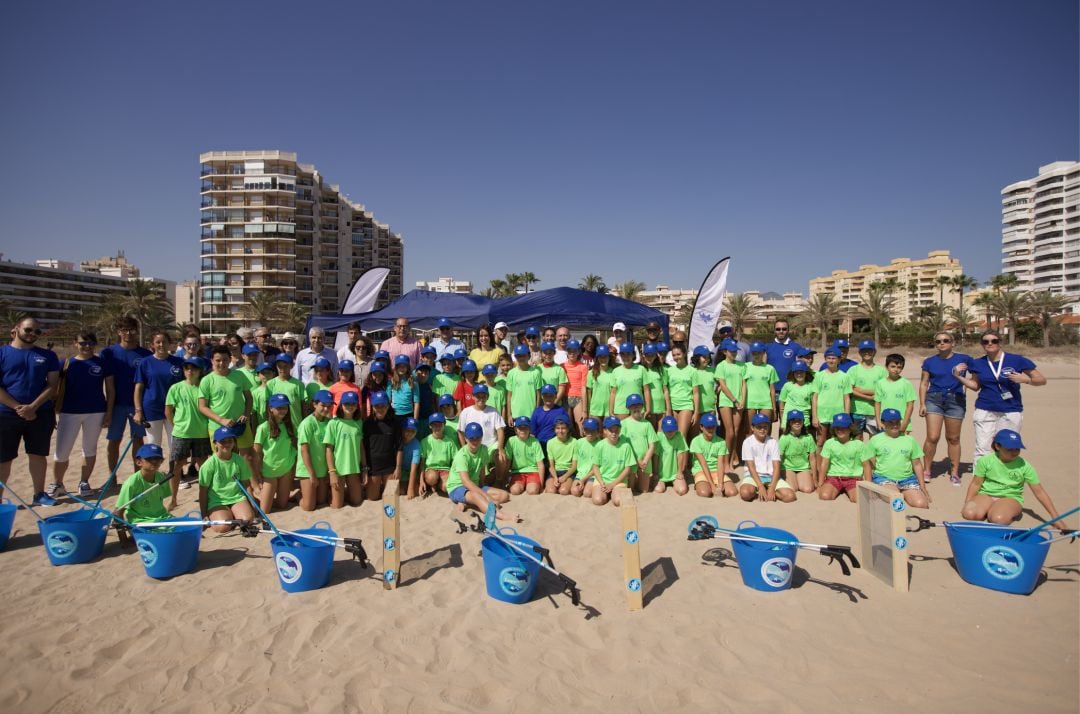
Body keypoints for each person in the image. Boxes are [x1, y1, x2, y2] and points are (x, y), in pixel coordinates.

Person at [954, 329, 1046, 475]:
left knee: (1008, 446)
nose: (990, 344)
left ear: (1000, 342)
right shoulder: (978, 363)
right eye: (986, 341)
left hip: (1010, 409)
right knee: (982, 447)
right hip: (985, 409)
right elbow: (975, 386)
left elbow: (1041, 380)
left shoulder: (1016, 360)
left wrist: (1026, 380)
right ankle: (980, 479)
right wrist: (959, 377)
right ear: (982, 344)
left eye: (994, 341)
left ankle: (1005, 476)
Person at [0, 317, 60, 506]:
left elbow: (52, 385)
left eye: (37, 332)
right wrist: (18, 408)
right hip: (6, 413)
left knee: (38, 454)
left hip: (40, 413)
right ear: (16, 329)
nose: (32, 334)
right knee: (4, 458)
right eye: (28, 330)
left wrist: (32, 407)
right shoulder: (2, 353)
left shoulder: (47, 356)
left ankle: (39, 494)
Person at [961, 429, 1071, 531]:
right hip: (986, 495)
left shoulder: (1025, 466)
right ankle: (990, 509)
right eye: (1009, 449)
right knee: (969, 513)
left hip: (1010, 498)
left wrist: (1056, 518)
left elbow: (1040, 493)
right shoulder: (986, 461)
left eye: (1017, 448)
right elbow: (976, 484)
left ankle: (1001, 510)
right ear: (997, 446)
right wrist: (967, 502)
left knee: (997, 519)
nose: (1014, 452)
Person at [50, 331, 114, 498]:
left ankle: (84, 482)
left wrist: (109, 412)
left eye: (90, 343)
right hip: (69, 412)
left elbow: (110, 389)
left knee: (89, 449)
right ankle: (58, 483)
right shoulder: (65, 364)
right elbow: (53, 390)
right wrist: (51, 412)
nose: (87, 346)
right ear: (75, 344)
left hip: (96, 411)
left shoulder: (102, 363)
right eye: (83, 343)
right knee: (62, 450)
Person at [100, 316, 151, 474]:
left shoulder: (145, 354)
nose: (129, 333)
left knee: (138, 440)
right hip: (116, 405)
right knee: (114, 441)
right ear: (119, 332)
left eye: (132, 330)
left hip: (138, 406)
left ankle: (138, 475)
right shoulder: (108, 353)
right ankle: (112, 477)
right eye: (125, 330)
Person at [447, 423, 519, 521]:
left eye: (477, 438)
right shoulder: (461, 456)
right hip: (457, 487)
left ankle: (468, 502)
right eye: (471, 438)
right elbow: (466, 482)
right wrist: (488, 497)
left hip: (474, 484)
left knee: (504, 495)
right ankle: (502, 516)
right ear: (466, 439)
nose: (474, 441)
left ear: (481, 437)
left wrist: (482, 486)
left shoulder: (483, 449)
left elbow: (481, 470)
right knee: (477, 496)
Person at [164, 356, 210, 506]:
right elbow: (168, 411)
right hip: (181, 433)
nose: (190, 371)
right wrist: (177, 425)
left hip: (201, 432)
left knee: (203, 465)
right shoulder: (176, 387)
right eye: (187, 368)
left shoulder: (204, 387)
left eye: (194, 368)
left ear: (200, 371)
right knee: (176, 465)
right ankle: (173, 498)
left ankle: (207, 495)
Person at [863, 409, 929, 509]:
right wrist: (868, 485)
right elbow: (867, 463)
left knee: (921, 504)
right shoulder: (875, 440)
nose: (895, 425)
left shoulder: (910, 440)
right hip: (885, 479)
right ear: (883, 422)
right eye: (891, 422)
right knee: (896, 500)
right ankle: (887, 491)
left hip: (907, 480)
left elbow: (917, 464)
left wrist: (923, 486)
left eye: (897, 422)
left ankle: (904, 493)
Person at [198, 345, 254, 461]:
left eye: (225, 360)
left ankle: (245, 480)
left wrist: (246, 414)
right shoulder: (207, 380)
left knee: (247, 458)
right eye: (218, 360)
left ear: (230, 360)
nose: (222, 363)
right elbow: (202, 407)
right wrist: (221, 420)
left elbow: (249, 398)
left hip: (240, 424)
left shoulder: (239, 375)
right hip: (218, 426)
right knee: (223, 459)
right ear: (212, 361)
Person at [198, 426, 257, 533]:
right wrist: (204, 514)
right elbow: (203, 491)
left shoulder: (239, 460)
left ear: (234, 442)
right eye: (222, 441)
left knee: (247, 520)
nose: (227, 444)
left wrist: (253, 505)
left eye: (230, 440)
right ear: (215, 443)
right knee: (222, 528)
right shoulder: (208, 465)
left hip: (236, 497)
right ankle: (226, 514)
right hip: (217, 501)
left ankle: (232, 514)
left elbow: (246, 484)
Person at [134, 330, 185, 449]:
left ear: (169, 343)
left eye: (164, 342)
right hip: (152, 408)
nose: (161, 345)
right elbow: (138, 388)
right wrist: (138, 411)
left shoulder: (179, 362)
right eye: (158, 342)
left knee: (176, 444)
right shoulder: (145, 362)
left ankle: (175, 468)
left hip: (174, 409)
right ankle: (153, 468)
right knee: (153, 444)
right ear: (152, 344)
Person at [114, 444, 172, 537]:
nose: (155, 462)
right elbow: (117, 513)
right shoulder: (131, 483)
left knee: (186, 529)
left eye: (158, 459)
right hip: (141, 522)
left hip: (162, 518)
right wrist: (123, 539)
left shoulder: (161, 477)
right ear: (138, 462)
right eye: (150, 459)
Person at [739, 413, 795, 503]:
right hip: (753, 475)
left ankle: (769, 491)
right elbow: (751, 467)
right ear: (752, 428)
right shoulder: (747, 442)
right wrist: (760, 486)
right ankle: (760, 490)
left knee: (790, 496)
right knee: (745, 493)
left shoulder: (773, 442)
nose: (762, 429)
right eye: (759, 427)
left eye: (765, 427)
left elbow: (776, 467)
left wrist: (772, 487)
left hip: (771, 476)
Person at [324, 391, 364, 508]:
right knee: (337, 506)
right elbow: (328, 449)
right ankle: (332, 493)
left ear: (357, 406)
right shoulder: (333, 423)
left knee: (357, 502)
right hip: (338, 469)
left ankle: (343, 493)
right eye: (347, 404)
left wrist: (365, 467)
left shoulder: (359, 422)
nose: (350, 406)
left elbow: (361, 447)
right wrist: (332, 472)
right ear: (341, 405)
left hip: (353, 468)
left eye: (353, 404)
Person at [584, 416, 635, 506]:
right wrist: (601, 482)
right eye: (611, 430)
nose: (614, 433)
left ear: (620, 430)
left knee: (618, 501)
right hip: (602, 480)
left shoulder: (626, 446)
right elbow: (595, 467)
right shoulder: (600, 445)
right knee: (598, 500)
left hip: (619, 481)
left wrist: (613, 484)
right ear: (605, 431)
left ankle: (614, 493)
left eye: (617, 430)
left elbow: (627, 469)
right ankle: (606, 493)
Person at [811, 347, 852, 457]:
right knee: (820, 441)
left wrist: (846, 415)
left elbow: (847, 398)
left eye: (834, 358)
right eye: (828, 358)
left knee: (837, 441)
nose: (831, 360)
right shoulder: (819, 376)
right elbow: (814, 397)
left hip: (838, 414)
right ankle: (819, 469)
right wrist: (815, 416)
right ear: (825, 359)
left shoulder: (845, 376)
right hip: (822, 414)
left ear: (839, 359)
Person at [817, 413, 866, 503]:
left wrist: (868, 484)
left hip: (853, 478)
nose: (840, 430)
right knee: (824, 496)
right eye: (837, 428)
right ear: (834, 429)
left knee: (857, 499)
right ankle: (835, 488)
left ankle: (849, 490)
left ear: (850, 428)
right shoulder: (829, 443)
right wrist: (820, 483)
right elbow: (824, 464)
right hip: (834, 477)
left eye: (844, 427)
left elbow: (866, 465)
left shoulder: (859, 444)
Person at [296, 389, 332, 510]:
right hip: (308, 470)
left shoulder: (329, 422)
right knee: (309, 507)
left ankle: (306, 493)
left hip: (322, 469)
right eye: (323, 405)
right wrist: (311, 474)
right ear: (314, 404)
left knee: (321, 501)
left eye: (329, 406)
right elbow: (304, 450)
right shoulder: (307, 423)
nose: (326, 409)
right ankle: (298, 496)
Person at [363, 391, 400, 502]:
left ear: (388, 406)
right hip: (373, 466)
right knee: (372, 498)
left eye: (383, 405)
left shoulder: (394, 423)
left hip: (389, 466)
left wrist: (398, 468)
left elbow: (399, 447)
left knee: (390, 497)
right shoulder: (367, 424)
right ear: (373, 407)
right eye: (377, 406)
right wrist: (364, 468)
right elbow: (363, 448)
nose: (380, 408)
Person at [846, 340, 887, 440]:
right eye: (864, 351)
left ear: (874, 352)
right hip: (856, 411)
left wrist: (860, 390)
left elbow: (884, 390)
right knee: (857, 438)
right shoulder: (853, 370)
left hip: (874, 412)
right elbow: (849, 389)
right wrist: (869, 396)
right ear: (860, 353)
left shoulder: (881, 371)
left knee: (874, 439)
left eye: (869, 350)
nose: (867, 353)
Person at [714, 338, 746, 461]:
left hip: (739, 402)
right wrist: (734, 400)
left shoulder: (742, 366)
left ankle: (732, 458)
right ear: (724, 352)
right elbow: (723, 385)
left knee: (736, 433)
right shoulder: (721, 366)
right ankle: (726, 460)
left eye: (735, 351)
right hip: (726, 401)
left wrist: (742, 400)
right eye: (731, 351)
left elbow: (744, 385)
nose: (734, 353)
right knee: (730, 432)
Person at [689, 412, 732, 498]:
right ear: (701, 427)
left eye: (713, 426)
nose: (711, 429)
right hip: (700, 470)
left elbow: (720, 464)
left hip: (716, 471)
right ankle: (705, 484)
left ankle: (714, 484)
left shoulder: (721, 441)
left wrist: (720, 484)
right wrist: (712, 485)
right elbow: (703, 464)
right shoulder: (696, 441)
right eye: (708, 427)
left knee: (732, 492)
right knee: (704, 493)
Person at [620, 394, 657, 493]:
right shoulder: (624, 424)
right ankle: (633, 478)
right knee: (630, 489)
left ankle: (640, 478)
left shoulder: (647, 424)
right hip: (631, 461)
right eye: (632, 406)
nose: (636, 407)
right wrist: (636, 460)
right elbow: (623, 445)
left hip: (645, 461)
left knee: (644, 490)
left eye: (638, 405)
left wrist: (645, 461)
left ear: (642, 406)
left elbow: (652, 445)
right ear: (628, 408)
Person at [875, 353, 917, 434]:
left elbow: (910, 406)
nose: (896, 369)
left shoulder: (907, 384)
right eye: (893, 366)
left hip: (902, 423)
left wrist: (904, 424)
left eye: (899, 367)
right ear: (887, 367)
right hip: (885, 423)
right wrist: (878, 421)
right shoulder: (880, 383)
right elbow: (877, 404)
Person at [762, 319, 803, 401]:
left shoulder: (796, 347)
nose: (781, 331)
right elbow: (763, 369)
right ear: (774, 330)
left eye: (784, 329)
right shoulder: (767, 347)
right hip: (771, 390)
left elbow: (801, 369)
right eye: (778, 329)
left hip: (790, 390)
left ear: (788, 330)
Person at [665, 344, 697, 444]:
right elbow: (666, 391)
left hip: (686, 406)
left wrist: (696, 412)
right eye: (674, 355)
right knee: (674, 437)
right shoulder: (669, 371)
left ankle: (684, 460)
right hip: (673, 406)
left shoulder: (692, 371)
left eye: (678, 354)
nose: (676, 357)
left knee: (682, 437)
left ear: (684, 354)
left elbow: (696, 393)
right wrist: (668, 409)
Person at [778, 410, 816, 494]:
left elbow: (812, 458)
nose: (797, 423)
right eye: (793, 421)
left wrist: (814, 477)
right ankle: (792, 479)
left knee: (808, 489)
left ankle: (800, 478)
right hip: (788, 467)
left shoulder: (808, 437)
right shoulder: (784, 437)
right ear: (789, 423)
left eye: (799, 420)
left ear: (803, 421)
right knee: (792, 488)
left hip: (803, 467)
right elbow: (779, 457)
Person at [506, 416, 545, 496]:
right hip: (517, 472)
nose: (523, 430)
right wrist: (505, 479)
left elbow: (540, 465)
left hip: (533, 471)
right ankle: (522, 484)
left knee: (532, 491)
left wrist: (541, 484)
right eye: (520, 428)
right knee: (515, 491)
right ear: (516, 429)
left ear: (529, 429)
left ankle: (530, 484)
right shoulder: (511, 441)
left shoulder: (535, 442)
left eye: (525, 427)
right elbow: (508, 462)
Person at [742, 342, 778, 429]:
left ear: (763, 353)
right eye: (754, 353)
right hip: (749, 402)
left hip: (766, 403)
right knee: (750, 430)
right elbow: (742, 386)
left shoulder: (770, 368)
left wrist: (774, 408)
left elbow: (772, 390)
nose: (756, 355)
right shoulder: (745, 367)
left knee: (766, 430)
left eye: (759, 353)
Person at [420, 413, 457, 495]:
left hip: (445, 469)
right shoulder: (425, 441)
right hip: (431, 470)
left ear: (444, 425)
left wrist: (452, 474)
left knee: (447, 487)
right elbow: (422, 463)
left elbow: (455, 461)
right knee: (432, 477)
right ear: (430, 426)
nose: (437, 427)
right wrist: (421, 481)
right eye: (434, 425)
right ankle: (433, 483)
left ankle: (439, 485)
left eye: (440, 424)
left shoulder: (449, 442)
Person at [610, 342, 649, 420]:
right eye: (623, 354)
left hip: (638, 407)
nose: (625, 357)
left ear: (633, 354)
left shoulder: (641, 369)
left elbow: (646, 390)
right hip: (620, 408)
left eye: (628, 354)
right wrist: (611, 411)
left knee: (638, 432)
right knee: (622, 431)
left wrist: (648, 409)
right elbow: (613, 392)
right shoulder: (615, 371)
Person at [268, 354, 307, 429]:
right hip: (277, 426)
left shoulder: (298, 384)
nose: (282, 369)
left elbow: (303, 406)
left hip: (296, 425)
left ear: (291, 366)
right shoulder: (270, 384)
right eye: (279, 366)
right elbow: (268, 406)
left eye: (285, 366)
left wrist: (304, 423)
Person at [654, 415, 689, 495]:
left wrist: (679, 472)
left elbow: (681, 455)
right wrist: (655, 473)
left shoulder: (679, 436)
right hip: (661, 474)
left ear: (676, 429)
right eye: (667, 430)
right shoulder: (659, 436)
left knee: (682, 490)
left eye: (672, 430)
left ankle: (674, 482)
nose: (670, 432)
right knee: (659, 489)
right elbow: (656, 456)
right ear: (662, 429)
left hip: (675, 474)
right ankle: (663, 482)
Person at [506, 344, 542, 422]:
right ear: (515, 357)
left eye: (523, 355)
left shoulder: (535, 372)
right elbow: (509, 396)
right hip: (516, 414)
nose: (521, 358)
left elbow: (538, 395)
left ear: (529, 356)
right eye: (518, 356)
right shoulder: (511, 373)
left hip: (531, 414)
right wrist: (509, 415)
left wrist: (537, 413)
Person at [569, 417, 602, 497]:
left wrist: (583, 480)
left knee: (587, 493)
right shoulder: (579, 442)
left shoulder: (601, 444)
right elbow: (575, 463)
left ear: (597, 431)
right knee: (575, 491)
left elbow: (598, 468)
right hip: (581, 474)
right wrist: (581, 478)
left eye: (593, 431)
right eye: (587, 430)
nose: (590, 433)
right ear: (583, 431)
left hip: (594, 475)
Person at [778, 362, 814, 433]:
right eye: (796, 372)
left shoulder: (811, 386)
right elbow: (782, 403)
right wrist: (783, 419)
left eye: (801, 372)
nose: (799, 374)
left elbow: (813, 404)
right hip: (788, 418)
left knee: (803, 439)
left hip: (804, 418)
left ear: (806, 373)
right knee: (788, 438)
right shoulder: (787, 385)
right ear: (793, 373)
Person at [562, 340, 589, 434]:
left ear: (578, 352)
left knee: (581, 428)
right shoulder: (562, 366)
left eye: (574, 351)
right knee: (567, 427)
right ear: (567, 352)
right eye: (570, 351)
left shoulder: (583, 367)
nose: (572, 353)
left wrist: (585, 410)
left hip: (578, 398)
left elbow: (584, 388)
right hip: (565, 398)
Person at [545, 417, 577, 494]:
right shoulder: (550, 443)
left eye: (563, 428)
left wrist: (565, 477)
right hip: (555, 472)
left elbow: (574, 466)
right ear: (554, 429)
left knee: (564, 491)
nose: (560, 431)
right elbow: (551, 466)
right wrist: (555, 478)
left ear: (568, 429)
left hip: (568, 471)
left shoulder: (574, 442)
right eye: (558, 428)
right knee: (551, 491)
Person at [584, 344, 614, 422]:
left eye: (605, 357)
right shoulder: (591, 373)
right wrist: (588, 411)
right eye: (600, 357)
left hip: (609, 410)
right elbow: (589, 393)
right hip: (595, 409)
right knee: (595, 433)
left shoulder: (613, 372)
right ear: (597, 358)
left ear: (609, 358)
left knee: (607, 433)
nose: (603, 359)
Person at [388, 354, 421, 428]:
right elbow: (388, 400)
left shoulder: (413, 382)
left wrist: (415, 420)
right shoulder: (391, 381)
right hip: (394, 414)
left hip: (408, 414)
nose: (402, 368)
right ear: (396, 368)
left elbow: (416, 402)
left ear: (408, 367)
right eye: (399, 366)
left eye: (404, 366)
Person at [399, 417, 422, 499]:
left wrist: (410, 488)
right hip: (400, 471)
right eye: (407, 430)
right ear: (402, 430)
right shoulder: (398, 441)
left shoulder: (417, 445)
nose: (410, 433)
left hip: (411, 471)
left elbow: (414, 468)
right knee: (401, 491)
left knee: (415, 491)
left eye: (413, 431)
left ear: (416, 432)